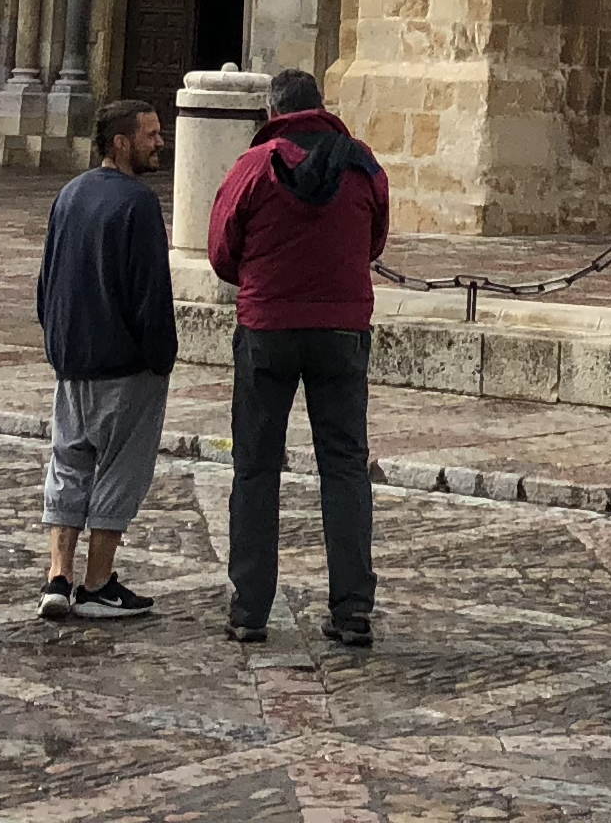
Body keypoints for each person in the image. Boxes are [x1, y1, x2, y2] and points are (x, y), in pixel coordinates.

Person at [206, 66, 388, 649]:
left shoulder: (253, 167)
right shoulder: (362, 164)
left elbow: (220, 249)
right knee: (344, 466)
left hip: (267, 329)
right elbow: (376, 238)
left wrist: (264, 282)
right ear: (320, 105)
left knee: (255, 468)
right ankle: (353, 607)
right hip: (340, 329)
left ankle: (250, 609)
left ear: (271, 111)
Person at [33, 97, 175, 623]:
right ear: (121, 142)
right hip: (124, 363)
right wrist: (162, 356)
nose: (161, 142)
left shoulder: (70, 194)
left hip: (73, 360)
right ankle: (97, 584)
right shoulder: (137, 203)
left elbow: (46, 279)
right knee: (119, 471)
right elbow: (150, 292)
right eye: (151, 134)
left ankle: (57, 577)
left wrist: (57, 341)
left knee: (69, 463)